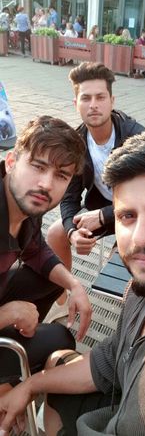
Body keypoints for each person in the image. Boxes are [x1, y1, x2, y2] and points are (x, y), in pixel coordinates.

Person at [1, 123, 145, 436]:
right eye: (128, 216)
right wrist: (29, 384)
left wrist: (73, 284)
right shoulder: (144, 288)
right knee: (59, 356)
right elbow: (110, 358)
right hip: (116, 405)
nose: (140, 238)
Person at [45, 62, 145, 320]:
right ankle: (61, 299)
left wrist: (103, 216)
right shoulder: (76, 143)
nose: (93, 105)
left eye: (100, 97)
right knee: (56, 232)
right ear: (75, 103)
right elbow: (68, 197)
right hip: (103, 208)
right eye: (85, 98)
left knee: (125, 263)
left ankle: (133, 321)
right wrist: (72, 231)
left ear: (112, 100)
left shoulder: (136, 139)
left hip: (139, 215)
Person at [0, 115, 91, 395]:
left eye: (61, 175)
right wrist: (9, 313)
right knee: (61, 337)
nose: (46, 184)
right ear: (12, 161)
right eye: (38, 167)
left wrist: (74, 285)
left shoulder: (25, 203)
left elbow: (36, 250)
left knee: (54, 277)